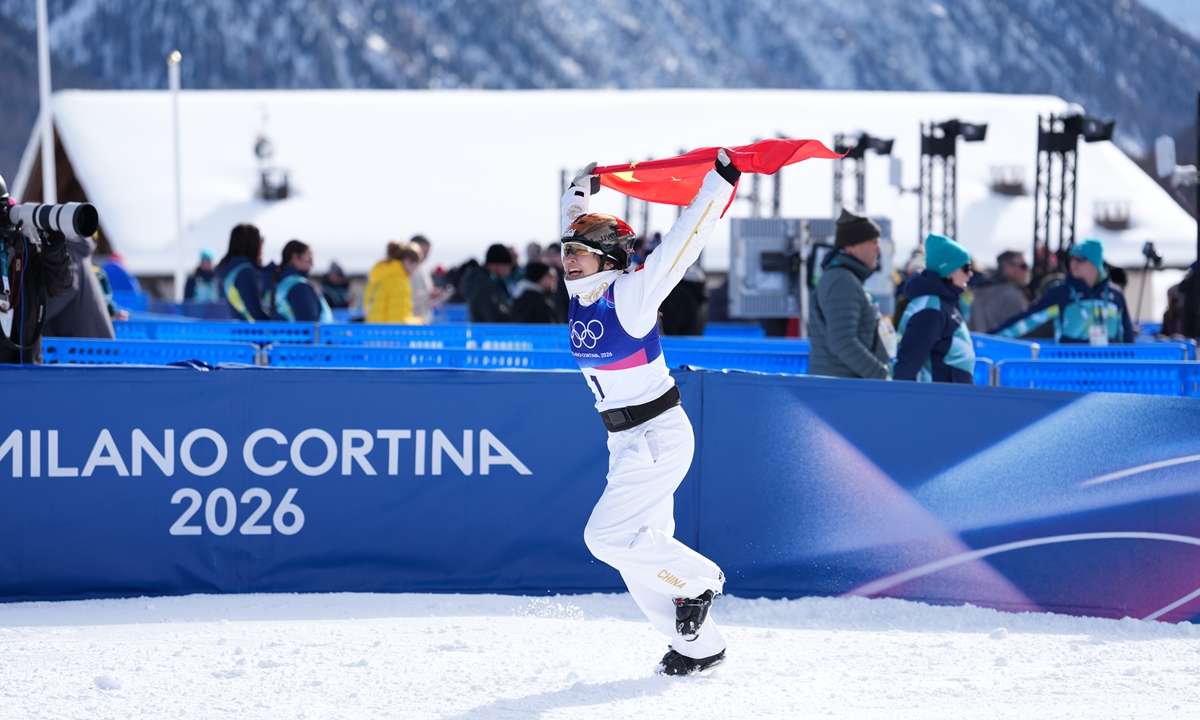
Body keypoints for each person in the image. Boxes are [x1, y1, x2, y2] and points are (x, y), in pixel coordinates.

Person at [561, 151, 739, 677]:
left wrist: (717, 186)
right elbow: (573, 224)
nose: (569, 259)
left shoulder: (631, 294)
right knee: (640, 558)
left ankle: (701, 582)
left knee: (606, 539)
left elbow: (682, 246)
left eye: (580, 253)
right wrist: (579, 189)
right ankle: (700, 647)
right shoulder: (581, 293)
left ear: (609, 260)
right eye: (566, 251)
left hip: (656, 436)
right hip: (627, 441)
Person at [989, 238, 1134, 344]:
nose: (1073, 263)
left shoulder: (1115, 295)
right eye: (1072, 259)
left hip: (1108, 371)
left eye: (1080, 259)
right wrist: (989, 338)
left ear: (1095, 263)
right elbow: (1027, 320)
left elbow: (1127, 338)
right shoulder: (1060, 293)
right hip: (1070, 371)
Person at [808, 208, 892, 379]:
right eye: (874, 242)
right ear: (853, 245)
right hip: (841, 389)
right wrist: (881, 376)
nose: (879, 250)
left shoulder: (847, 278)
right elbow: (842, 342)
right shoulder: (842, 281)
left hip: (844, 387)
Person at [894, 234, 976, 383]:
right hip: (938, 395)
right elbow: (908, 365)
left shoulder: (941, 303)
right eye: (966, 268)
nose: (970, 273)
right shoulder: (931, 310)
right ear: (949, 271)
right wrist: (896, 395)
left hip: (947, 393)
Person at [43, 232, 115, 340]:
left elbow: (64, 291)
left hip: (82, 343)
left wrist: (29, 315)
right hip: (84, 339)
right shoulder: (70, 247)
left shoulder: (62, 249)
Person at [216, 224, 271, 322]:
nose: (262, 245)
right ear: (252, 244)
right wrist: (275, 326)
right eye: (260, 240)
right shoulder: (245, 272)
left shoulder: (231, 270)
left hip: (239, 329)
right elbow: (256, 311)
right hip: (251, 330)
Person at [966, 250, 1030, 333]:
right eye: (1023, 266)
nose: (1027, 269)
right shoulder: (1013, 295)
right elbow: (1023, 330)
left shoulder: (979, 289)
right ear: (1008, 268)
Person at [270, 240, 332, 323]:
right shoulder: (300, 287)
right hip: (320, 332)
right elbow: (309, 325)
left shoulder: (281, 284)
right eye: (310, 259)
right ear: (295, 258)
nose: (312, 264)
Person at [363, 241, 423, 324]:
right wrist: (420, 321)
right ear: (407, 261)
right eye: (415, 267)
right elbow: (399, 322)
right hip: (387, 332)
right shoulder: (399, 283)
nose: (414, 272)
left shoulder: (378, 277)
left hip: (373, 330)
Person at [460, 244, 514, 323]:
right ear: (495, 264)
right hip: (487, 330)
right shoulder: (483, 285)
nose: (507, 271)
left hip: (483, 329)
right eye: (506, 266)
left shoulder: (485, 281)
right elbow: (494, 319)